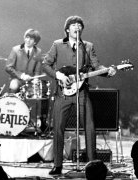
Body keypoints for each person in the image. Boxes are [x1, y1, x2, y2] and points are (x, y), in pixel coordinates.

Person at [42, 15, 117, 175]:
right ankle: (57, 165)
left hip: (82, 92)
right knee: (58, 128)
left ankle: (93, 165)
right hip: (63, 93)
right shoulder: (57, 45)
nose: (77, 27)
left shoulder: (88, 46)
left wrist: (107, 72)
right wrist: (58, 75)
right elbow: (46, 64)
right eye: (74, 25)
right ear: (67, 29)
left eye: (79, 25)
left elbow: (96, 66)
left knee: (90, 127)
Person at [5, 28, 42, 93]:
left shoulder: (38, 52)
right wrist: (21, 75)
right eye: (27, 37)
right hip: (17, 79)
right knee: (14, 85)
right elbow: (8, 67)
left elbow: (37, 70)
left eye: (31, 39)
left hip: (30, 81)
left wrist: (36, 79)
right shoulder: (15, 50)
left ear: (35, 42)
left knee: (40, 89)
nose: (28, 40)